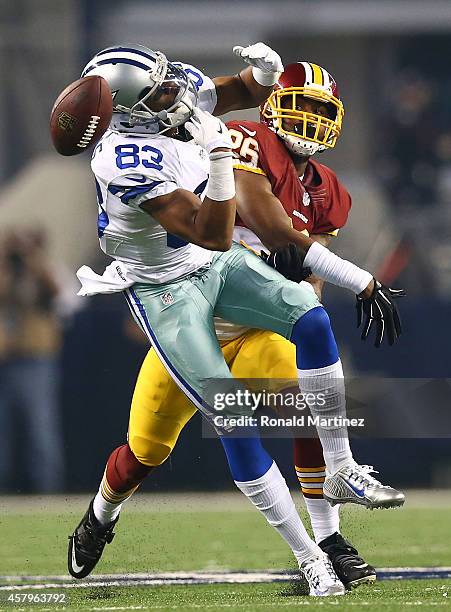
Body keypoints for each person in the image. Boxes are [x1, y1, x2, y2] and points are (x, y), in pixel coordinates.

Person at [69, 44, 403, 595]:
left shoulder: (322, 185)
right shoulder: (132, 156)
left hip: (235, 301)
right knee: (144, 452)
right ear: (130, 111)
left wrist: (260, 76)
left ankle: (326, 544)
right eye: (159, 91)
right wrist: (222, 159)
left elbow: (240, 92)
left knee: (306, 400)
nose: (175, 91)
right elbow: (220, 231)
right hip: (174, 298)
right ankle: (101, 514)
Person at [0, 229, 65, 492]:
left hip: (36, 362)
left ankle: (47, 491)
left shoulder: (42, 272)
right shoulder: (6, 275)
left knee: (40, 429)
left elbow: (58, 291)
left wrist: (31, 258)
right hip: (7, 363)